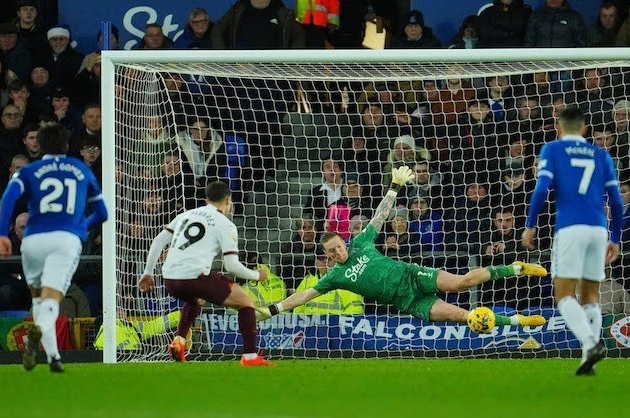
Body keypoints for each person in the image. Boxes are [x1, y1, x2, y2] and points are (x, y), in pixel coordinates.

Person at [257, 166, 548, 333]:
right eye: (331, 253)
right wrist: (272, 310)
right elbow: (303, 295)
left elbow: (380, 217)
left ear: (343, 242)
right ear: (328, 257)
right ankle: (519, 320)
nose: (336, 253)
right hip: (409, 303)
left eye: (337, 247)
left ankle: (516, 268)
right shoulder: (335, 277)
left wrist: (394, 186)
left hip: (413, 276)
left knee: (462, 283)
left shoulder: (360, 243)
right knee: (465, 316)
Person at [0, 123, 108, 372]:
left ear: (41, 146)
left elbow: (9, 197)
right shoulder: (80, 169)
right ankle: (37, 333)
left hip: (33, 241)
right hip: (63, 240)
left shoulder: (30, 170)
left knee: (38, 299)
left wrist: (2, 233)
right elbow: (102, 213)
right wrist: (80, 228)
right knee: (53, 298)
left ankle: (53, 356)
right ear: (67, 146)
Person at [521, 106, 624, 376]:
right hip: (599, 229)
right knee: (590, 295)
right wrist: (616, 237)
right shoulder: (601, 154)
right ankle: (585, 359)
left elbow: (541, 188)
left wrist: (530, 225)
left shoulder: (552, 150)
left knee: (564, 294)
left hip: (570, 228)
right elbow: (616, 200)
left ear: (558, 127)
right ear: (585, 129)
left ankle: (591, 343)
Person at [138, 181, 274, 366]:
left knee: (197, 299)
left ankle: (179, 341)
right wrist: (258, 275)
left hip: (169, 278)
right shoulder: (225, 224)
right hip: (194, 278)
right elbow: (232, 265)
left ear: (206, 200)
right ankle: (250, 356)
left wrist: (147, 272)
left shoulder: (185, 215)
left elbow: (158, 240)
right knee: (245, 303)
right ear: (227, 200)